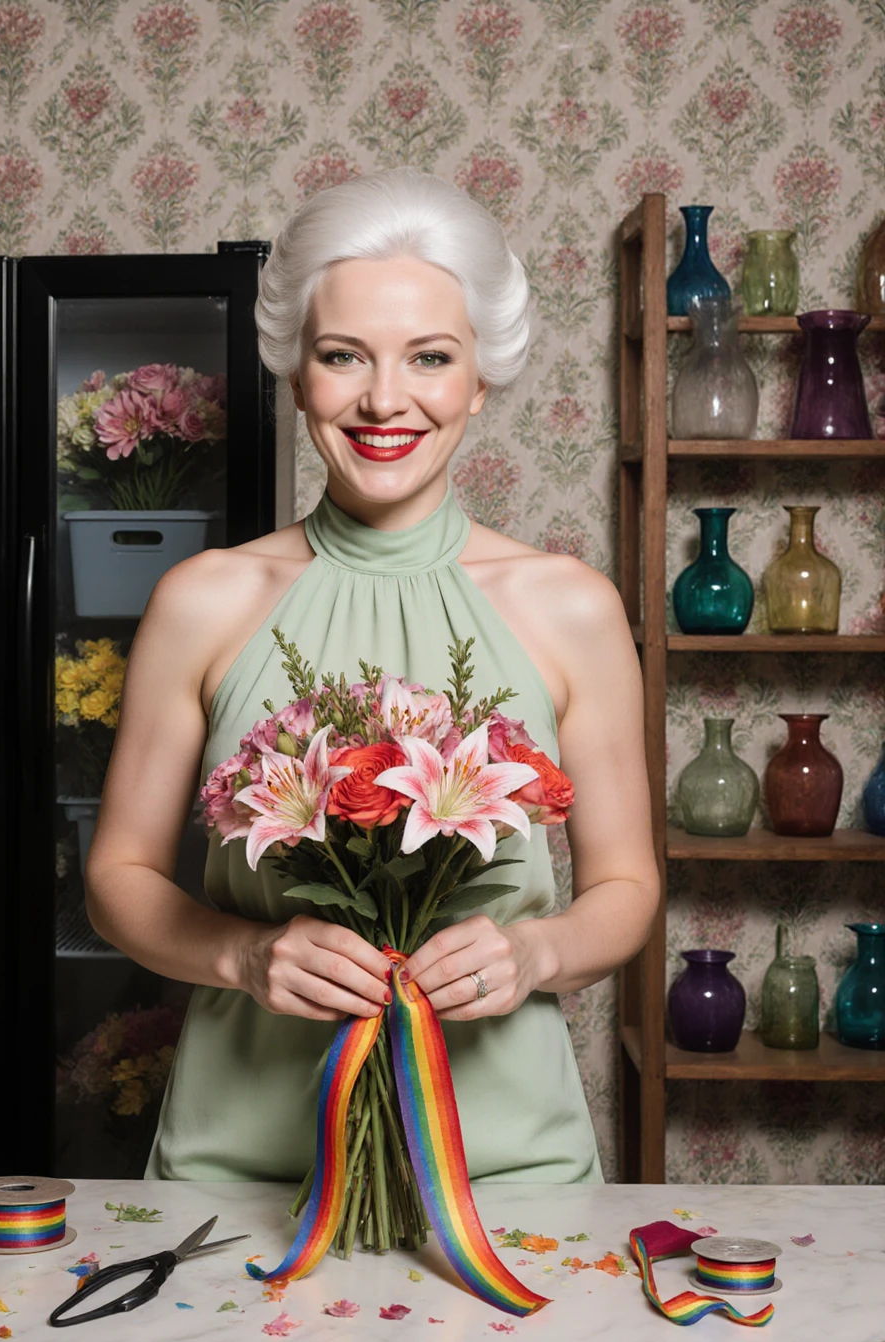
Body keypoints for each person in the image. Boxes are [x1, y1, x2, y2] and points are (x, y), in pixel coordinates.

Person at [85, 167, 659, 1185]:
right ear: (299, 376)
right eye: (343, 356)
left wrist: (535, 955)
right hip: (244, 1157)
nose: (383, 399)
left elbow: (625, 889)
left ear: (480, 379)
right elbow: (117, 882)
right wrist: (243, 956)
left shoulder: (571, 604)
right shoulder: (202, 600)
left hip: (500, 1161)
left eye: (429, 358)